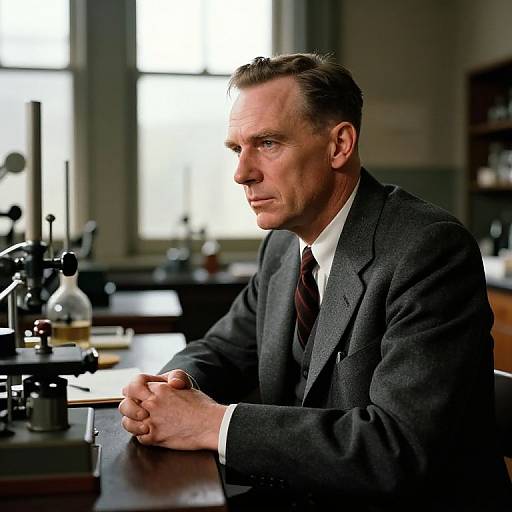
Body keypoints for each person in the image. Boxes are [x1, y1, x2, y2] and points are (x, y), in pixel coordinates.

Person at [119, 53, 511, 510]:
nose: (242, 173)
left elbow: (398, 448)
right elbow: (223, 349)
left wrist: (212, 424)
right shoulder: (283, 248)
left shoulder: (428, 251)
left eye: (267, 143)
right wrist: (170, 388)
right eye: (236, 148)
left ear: (339, 145)